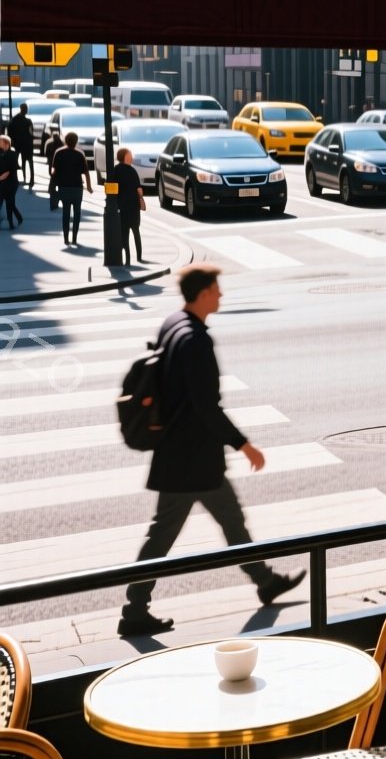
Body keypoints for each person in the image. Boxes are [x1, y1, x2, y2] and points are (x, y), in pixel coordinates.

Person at [118, 265, 306, 637]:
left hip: (184, 454)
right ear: (203, 293)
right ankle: (134, 610)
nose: (221, 296)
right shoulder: (196, 341)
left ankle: (264, 581)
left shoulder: (173, 322)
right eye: (217, 290)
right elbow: (206, 405)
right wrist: (244, 444)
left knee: (230, 521)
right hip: (190, 459)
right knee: (164, 535)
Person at [52, 132, 90, 246]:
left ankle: (65, 238)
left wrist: (53, 181)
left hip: (63, 187)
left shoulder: (59, 153)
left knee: (66, 213)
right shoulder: (80, 154)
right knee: (77, 213)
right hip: (77, 187)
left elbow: (53, 170)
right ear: (76, 141)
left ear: (65, 140)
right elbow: (86, 172)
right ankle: (74, 238)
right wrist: (89, 186)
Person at [111, 147, 146, 264]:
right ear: (126, 157)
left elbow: (111, 189)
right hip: (134, 206)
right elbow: (138, 188)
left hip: (121, 206)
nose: (132, 157)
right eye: (130, 155)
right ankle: (139, 256)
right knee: (136, 231)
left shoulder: (115, 170)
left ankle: (127, 258)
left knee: (124, 232)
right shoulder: (132, 171)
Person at [6, 102, 33, 188]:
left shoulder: (14, 120)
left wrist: (11, 142)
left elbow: (9, 131)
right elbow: (31, 133)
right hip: (25, 145)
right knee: (27, 162)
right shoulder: (28, 121)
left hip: (17, 144)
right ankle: (29, 179)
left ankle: (17, 178)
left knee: (15, 162)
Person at [0, 135, 21, 229]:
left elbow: (9, 170)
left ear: (6, 143)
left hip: (11, 182)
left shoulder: (13, 154)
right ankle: (16, 219)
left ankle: (12, 222)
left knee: (9, 202)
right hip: (1, 182)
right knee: (4, 202)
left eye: (0, 141)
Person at [42, 131, 63, 211]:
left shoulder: (49, 143)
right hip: (60, 167)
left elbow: (46, 153)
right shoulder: (62, 144)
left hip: (52, 165)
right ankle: (57, 201)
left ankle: (53, 203)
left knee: (52, 183)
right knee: (59, 184)